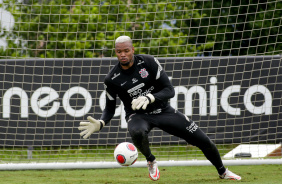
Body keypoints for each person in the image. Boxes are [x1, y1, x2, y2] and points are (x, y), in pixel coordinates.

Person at [78, 36, 242, 181]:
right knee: (136, 132)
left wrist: (150, 97)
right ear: (115, 52)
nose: (123, 54)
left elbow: (169, 90)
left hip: (164, 111)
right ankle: (150, 160)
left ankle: (223, 172)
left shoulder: (148, 62)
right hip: (138, 116)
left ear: (132, 50)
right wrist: (100, 123)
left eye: (126, 50)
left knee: (203, 140)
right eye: (119, 51)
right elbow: (110, 109)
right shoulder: (111, 79)